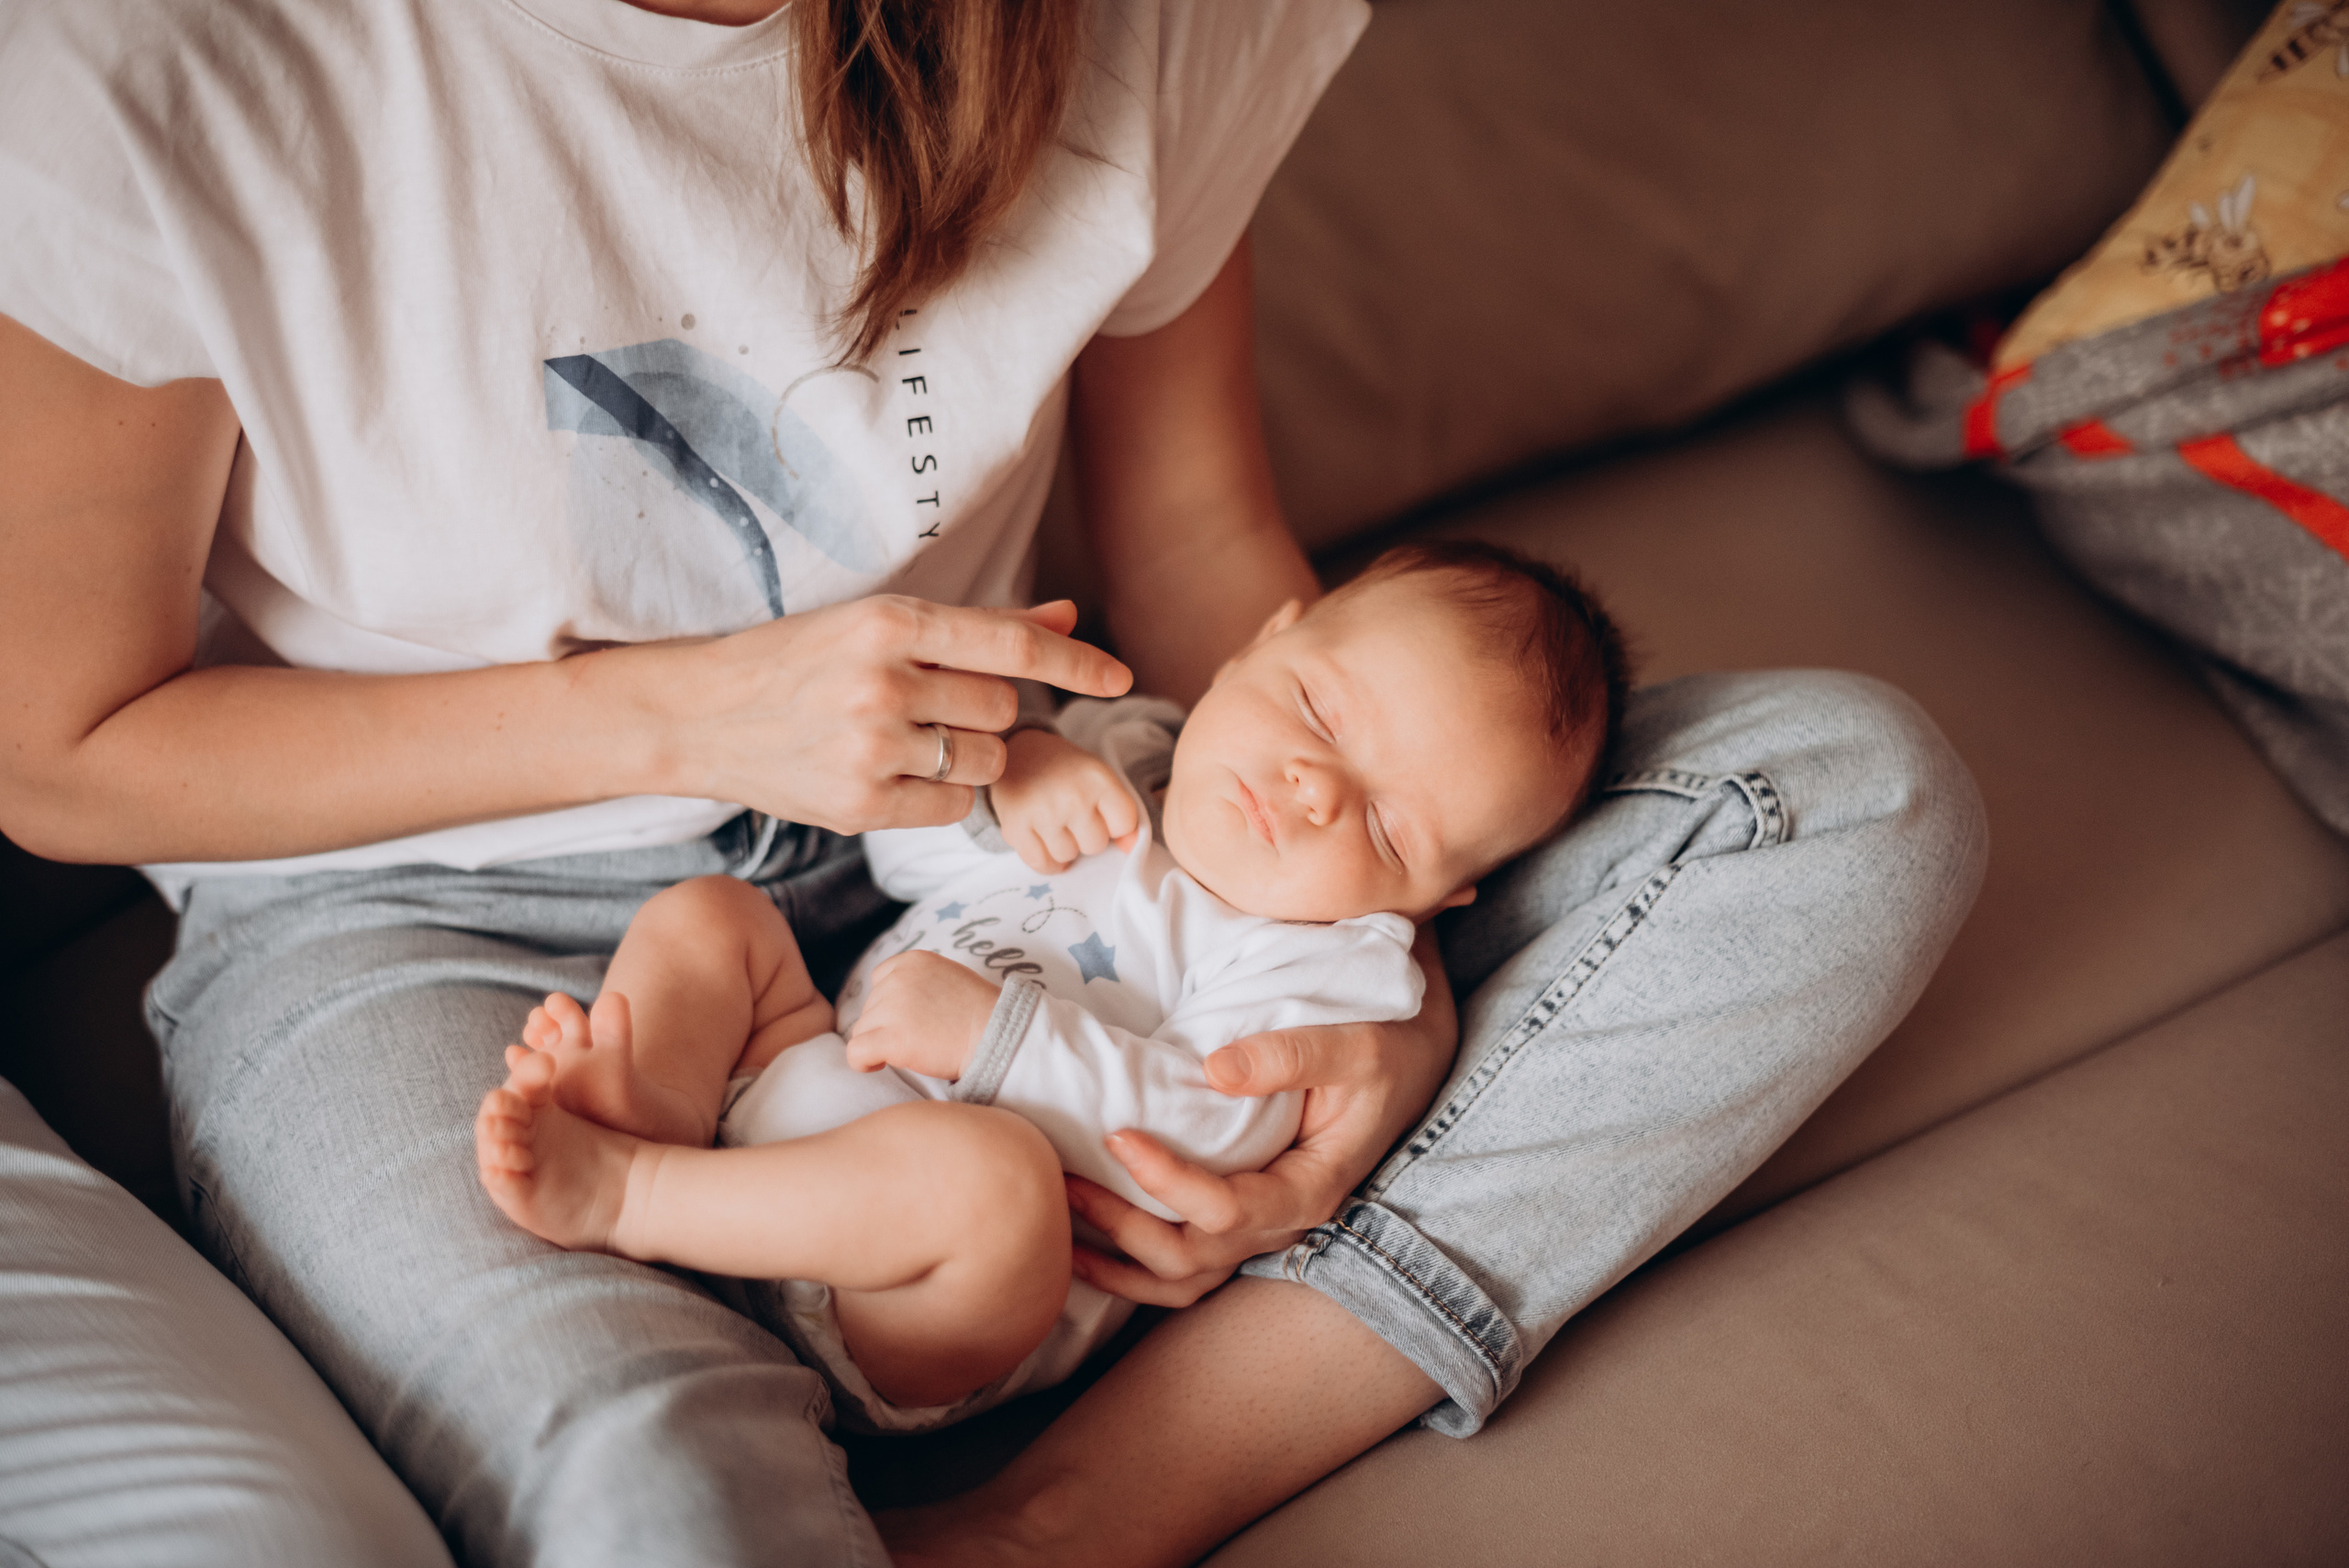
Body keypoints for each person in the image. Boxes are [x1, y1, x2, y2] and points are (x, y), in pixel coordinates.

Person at [0, 0, 1987, 1563]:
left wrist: (1380, 974)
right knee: (653, 1501)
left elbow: (1207, 557)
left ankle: (1075, 1514)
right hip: (425, 912)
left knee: (1840, 795)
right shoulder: (159, 62)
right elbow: (62, 759)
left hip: (1027, 819)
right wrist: (694, 713)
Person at [473, 544, 1624, 1431]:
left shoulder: (1323, 970)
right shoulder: (1121, 752)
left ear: (1433, 903)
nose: (1313, 788)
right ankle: (651, 1103)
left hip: (925, 1285)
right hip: (809, 1071)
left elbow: (1206, 1128)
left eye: (1383, 822)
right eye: (1318, 711)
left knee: (990, 1177)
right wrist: (1004, 778)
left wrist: (1002, 1040)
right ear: (1257, 645)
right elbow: (898, 857)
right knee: (715, 918)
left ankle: (626, 1193)